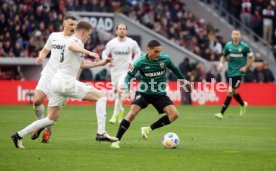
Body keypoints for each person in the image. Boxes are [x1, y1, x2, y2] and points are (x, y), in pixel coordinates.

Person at [11, 21, 117, 149]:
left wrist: (101, 63)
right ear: (83, 32)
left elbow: (81, 64)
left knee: (50, 119)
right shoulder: (76, 41)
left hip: (57, 82)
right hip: (66, 82)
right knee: (101, 96)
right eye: (88, 34)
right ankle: (101, 132)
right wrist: (90, 52)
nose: (89, 37)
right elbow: (72, 46)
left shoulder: (75, 43)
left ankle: (18, 135)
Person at [110, 40, 190, 148]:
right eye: (156, 52)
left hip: (159, 93)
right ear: (148, 50)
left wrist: (183, 80)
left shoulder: (165, 59)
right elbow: (128, 77)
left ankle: (148, 129)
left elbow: (175, 69)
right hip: (144, 92)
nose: (158, 54)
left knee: (174, 115)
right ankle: (116, 140)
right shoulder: (140, 62)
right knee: (132, 113)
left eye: (160, 52)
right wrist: (127, 90)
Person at [32, 15, 77, 143]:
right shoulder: (54, 36)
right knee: (37, 101)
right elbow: (46, 50)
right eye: (71, 24)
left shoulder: (76, 40)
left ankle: (47, 131)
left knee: (52, 109)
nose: (73, 27)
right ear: (64, 24)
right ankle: (39, 124)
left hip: (62, 77)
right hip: (49, 72)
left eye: (75, 25)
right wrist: (41, 56)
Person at [102, 23, 141, 124]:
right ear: (116, 31)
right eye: (120, 29)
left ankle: (114, 116)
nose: (122, 30)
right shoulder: (112, 43)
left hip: (126, 72)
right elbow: (104, 53)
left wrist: (133, 62)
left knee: (120, 92)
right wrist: (107, 61)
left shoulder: (131, 42)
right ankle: (121, 110)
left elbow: (138, 52)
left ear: (126, 31)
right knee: (117, 94)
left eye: (124, 29)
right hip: (115, 72)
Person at [214, 29, 255, 120]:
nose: (235, 36)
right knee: (234, 92)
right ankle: (243, 104)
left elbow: (252, 58)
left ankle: (221, 113)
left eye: (237, 34)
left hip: (239, 73)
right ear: (231, 35)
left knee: (229, 92)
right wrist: (221, 64)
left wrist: (245, 67)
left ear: (240, 36)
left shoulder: (245, 47)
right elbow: (224, 56)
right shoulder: (228, 45)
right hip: (230, 72)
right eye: (234, 34)